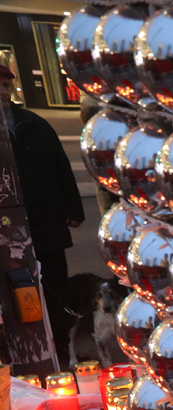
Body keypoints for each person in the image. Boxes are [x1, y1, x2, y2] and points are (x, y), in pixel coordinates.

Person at [1, 66, 83, 365]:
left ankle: (61, 353)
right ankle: (21, 361)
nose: (4, 91)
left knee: (54, 292)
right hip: (6, 232)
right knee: (15, 299)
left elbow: (60, 167)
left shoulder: (33, 124)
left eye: (7, 84)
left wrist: (73, 208)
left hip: (46, 226)